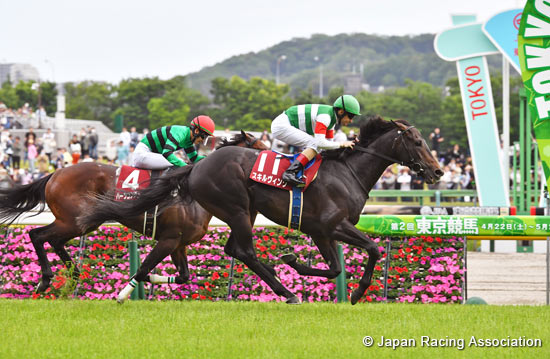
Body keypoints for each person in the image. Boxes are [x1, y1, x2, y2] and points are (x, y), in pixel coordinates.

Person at [271, 95, 359, 187]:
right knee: (315, 144)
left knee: (318, 146)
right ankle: (290, 172)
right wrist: (343, 144)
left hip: (285, 124)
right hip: (281, 126)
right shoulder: (325, 117)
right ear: (341, 112)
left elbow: (329, 147)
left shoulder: (331, 121)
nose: (351, 121)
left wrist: (351, 144)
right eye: (350, 116)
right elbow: (320, 143)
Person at [133, 115, 215, 170]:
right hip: (142, 154)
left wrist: (211, 158)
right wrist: (184, 166)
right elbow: (167, 152)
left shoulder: (188, 140)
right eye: (204, 136)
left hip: (152, 155)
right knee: (176, 163)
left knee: (179, 162)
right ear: (196, 131)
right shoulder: (180, 132)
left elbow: (194, 159)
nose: (203, 140)